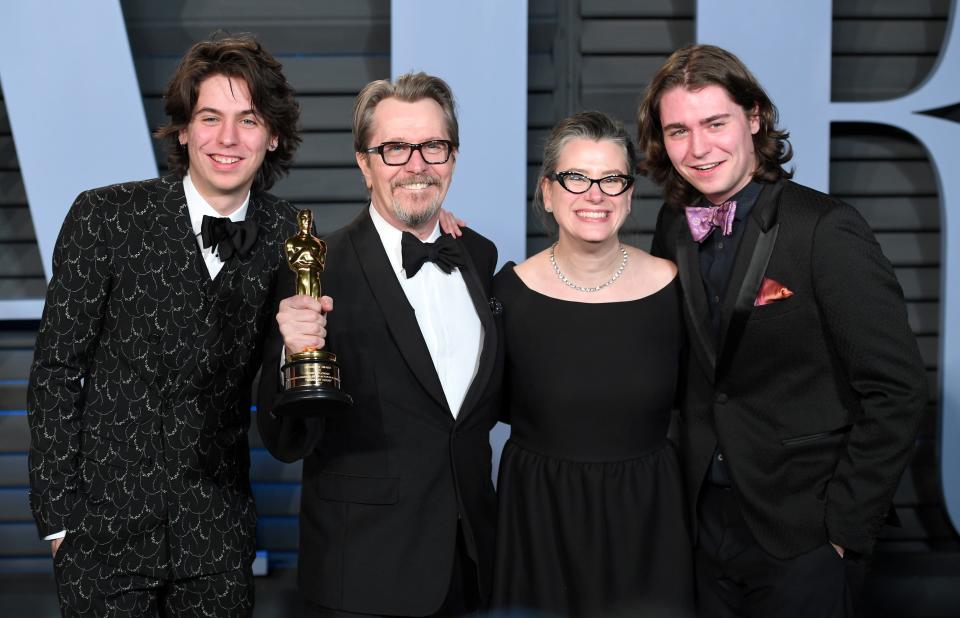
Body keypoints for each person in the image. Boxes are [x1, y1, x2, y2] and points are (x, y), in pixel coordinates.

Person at [638, 44, 928, 617]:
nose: (698, 149)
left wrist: (843, 530)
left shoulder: (826, 228)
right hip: (701, 528)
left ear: (754, 118)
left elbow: (897, 390)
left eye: (715, 123)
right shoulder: (674, 225)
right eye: (678, 131)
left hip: (804, 533)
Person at [27, 34, 301, 617]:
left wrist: (431, 222)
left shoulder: (290, 234)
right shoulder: (105, 216)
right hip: (102, 537)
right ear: (183, 130)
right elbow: (56, 370)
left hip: (219, 538)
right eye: (210, 118)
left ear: (272, 135)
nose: (228, 139)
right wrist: (59, 522)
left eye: (248, 119)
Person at [257, 72, 503, 617]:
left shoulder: (480, 257)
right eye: (394, 148)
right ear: (364, 163)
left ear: (453, 156)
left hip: (471, 568)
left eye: (433, 146)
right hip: (363, 574)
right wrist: (288, 357)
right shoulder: (317, 265)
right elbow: (285, 439)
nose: (417, 164)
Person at [490, 111, 693, 617]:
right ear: (548, 192)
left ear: (629, 194)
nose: (594, 194)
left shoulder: (677, 287)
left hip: (650, 517)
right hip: (538, 516)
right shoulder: (506, 293)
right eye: (576, 178)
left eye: (612, 179)